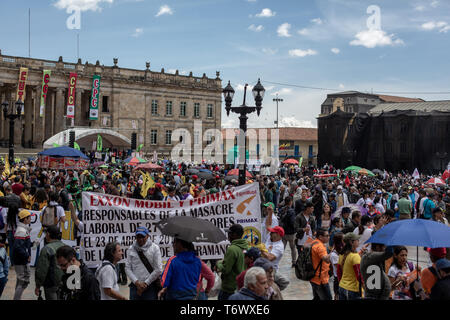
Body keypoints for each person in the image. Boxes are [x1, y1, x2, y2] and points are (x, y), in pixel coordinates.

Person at [125, 226, 163, 300]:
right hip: (135, 286)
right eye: (138, 237)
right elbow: (127, 268)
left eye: (143, 236)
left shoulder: (155, 248)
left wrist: (146, 283)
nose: (140, 239)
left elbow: (158, 269)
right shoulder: (131, 249)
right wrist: (137, 283)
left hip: (150, 287)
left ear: (148, 236)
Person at [215, 224, 249, 300]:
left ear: (234, 235)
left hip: (229, 289)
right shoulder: (247, 247)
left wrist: (218, 263)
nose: (228, 236)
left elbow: (226, 269)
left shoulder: (232, 249)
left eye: (229, 233)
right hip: (241, 286)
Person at [34, 225, 65, 300]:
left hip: (51, 284)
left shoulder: (46, 249)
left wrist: (38, 285)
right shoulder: (65, 247)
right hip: (64, 283)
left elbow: (41, 269)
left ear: (48, 234)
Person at [11, 209, 33, 300]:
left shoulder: (23, 229)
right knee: (23, 281)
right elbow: (17, 247)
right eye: (29, 217)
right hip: (20, 260)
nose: (30, 219)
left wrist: (33, 244)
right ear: (25, 219)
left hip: (21, 259)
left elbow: (23, 244)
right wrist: (27, 255)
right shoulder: (21, 231)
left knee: (21, 281)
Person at [337, 233, 364, 300]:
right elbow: (359, 275)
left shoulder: (341, 254)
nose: (358, 241)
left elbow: (339, 272)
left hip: (342, 286)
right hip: (352, 290)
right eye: (357, 240)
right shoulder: (355, 256)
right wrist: (365, 287)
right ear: (351, 242)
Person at [309, 228, 332, 300]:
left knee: (317, 297)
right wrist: (334, 252)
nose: (329, 237)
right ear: (320, 237)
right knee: (327, 298)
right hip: (320, 279)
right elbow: (327, 259)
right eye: (327, 236)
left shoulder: (312, 242)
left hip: (313, 276)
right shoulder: (320, 246)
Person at [278, 196, 297, 267]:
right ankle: (294, 262)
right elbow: (292, 222)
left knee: (281, 248)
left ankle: (277, 260)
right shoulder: (292, 211)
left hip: (283, 232)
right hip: (291, 233)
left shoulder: (281, 210)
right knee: (293, 248)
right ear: (290, 202)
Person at [330, 232, 344, 300]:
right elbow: (339, 267)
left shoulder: (342, 251)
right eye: (343, 240)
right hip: (338, 279)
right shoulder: (334, 254)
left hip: (344, 277)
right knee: (338, 296)